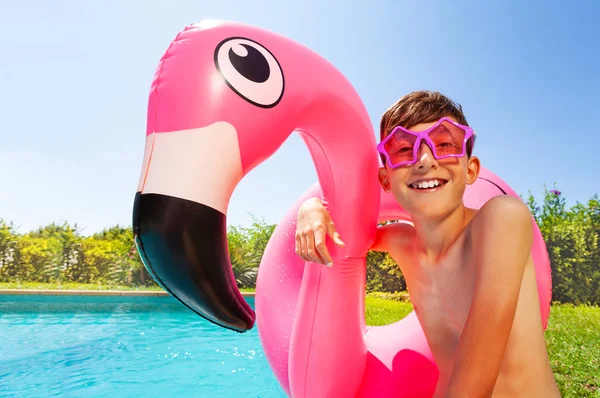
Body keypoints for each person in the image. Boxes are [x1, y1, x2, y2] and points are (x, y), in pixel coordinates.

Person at [294, 91, 560, 397]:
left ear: (470, 169)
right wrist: (311, 207)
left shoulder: (503, 218)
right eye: (404, 149)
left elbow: (478, 374)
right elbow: (344, 229)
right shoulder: (399, 241)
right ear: (386, 180)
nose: (424, 160)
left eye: (444, 144)